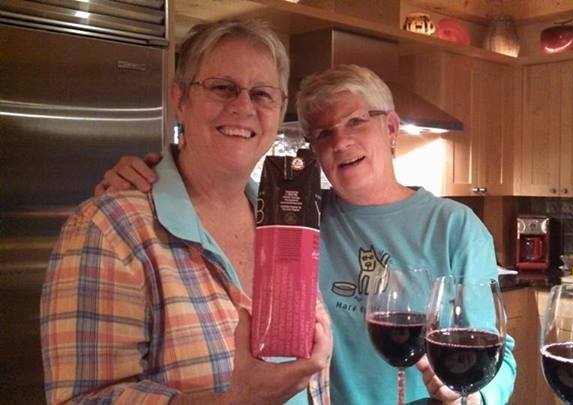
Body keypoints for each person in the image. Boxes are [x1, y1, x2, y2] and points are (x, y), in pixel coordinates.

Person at [97, 65, 517, 404]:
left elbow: (498, 355)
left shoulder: (455, 228)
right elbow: (210, 192)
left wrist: (471, 398)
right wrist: (151, 176)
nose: (341, 141)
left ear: (390, 128)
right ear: (313, 150)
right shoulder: (295, 219)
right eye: (324, 133)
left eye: (356, 121)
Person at [40, 19, 332, 405]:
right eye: (222, 87)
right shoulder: (108, 229)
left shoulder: (287, 221)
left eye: (262, 94)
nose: (243, 107)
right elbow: (82, 400)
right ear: (180, 99)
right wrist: (237, 402)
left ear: (279, 111)